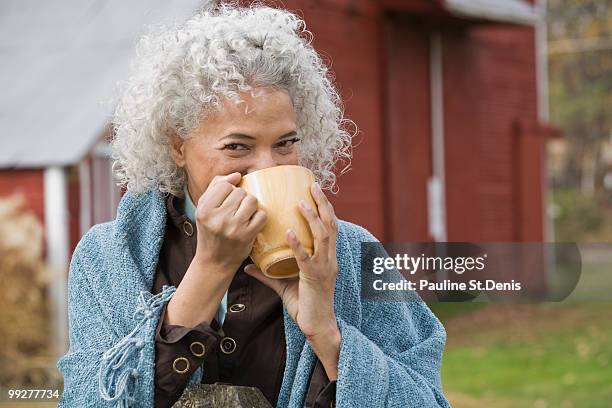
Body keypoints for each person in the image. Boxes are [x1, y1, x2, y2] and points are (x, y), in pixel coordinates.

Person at [57, 2, 451, 407]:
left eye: (285, 144)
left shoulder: (351, 253)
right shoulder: (108, 256)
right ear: (178, 145)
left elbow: (427, 401)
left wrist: (328, 335)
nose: (267, 166)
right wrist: (210, 270)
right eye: (237, 147)